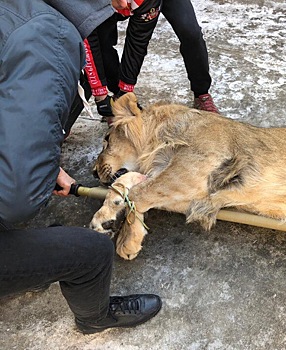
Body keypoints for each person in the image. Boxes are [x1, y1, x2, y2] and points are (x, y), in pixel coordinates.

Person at [0, 0, 162, 334]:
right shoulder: (46, 34)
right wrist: (36, 172)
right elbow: (18, 198)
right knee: (91, 251)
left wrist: (35, 155)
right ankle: (94, 318)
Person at [83, 0, 219, 122]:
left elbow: (138, 41)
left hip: (144, 3)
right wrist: (101, 94)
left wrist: (126, 90)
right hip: (101, 4)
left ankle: (202, 93)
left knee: (190, 33)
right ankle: (116, 97)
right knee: (103, 42)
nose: (124, 5)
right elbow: (89, 37)